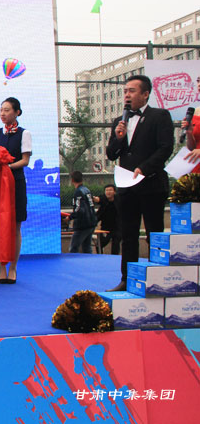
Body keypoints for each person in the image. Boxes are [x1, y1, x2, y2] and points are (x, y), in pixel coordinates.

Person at [105, 75, 173, 291]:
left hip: (151, 185)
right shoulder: (120, 121)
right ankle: (127, 280)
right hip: (127, 188)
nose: (127, 95)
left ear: (145, 94)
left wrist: (144, 168)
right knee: (128, 235)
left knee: (154, 234)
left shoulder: (160, 116)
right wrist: (118, 138)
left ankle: (156, 279)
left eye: (132, 91)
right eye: (125, 91)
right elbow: (111, 153)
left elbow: (165, 148)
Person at [0, 97, 31, 284]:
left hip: (15, 182)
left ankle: (13, 267)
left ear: (17, 112)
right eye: (1, 110)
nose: (3, 113)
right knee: (0, 225)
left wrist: (7, 166)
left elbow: (25, 160)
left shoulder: (24, 133)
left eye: (7, 110)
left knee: (15, 225)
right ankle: (1, 268)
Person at [66, 171, 97, 253]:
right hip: (91, 222)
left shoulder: (78, 192)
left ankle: (74, 261)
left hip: (83, 224)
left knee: (73, 247)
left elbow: (79, 209)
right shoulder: (86, 190)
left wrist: (70, 217)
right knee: (87, 247)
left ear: (72, 180)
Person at [94, 184, 120, 255]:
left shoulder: (118, 199)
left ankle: (114, 258)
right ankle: (100, 257)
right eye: (107, 190)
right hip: (106, 227)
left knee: (116, 243)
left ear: (114, 192)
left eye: (110, 190)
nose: (108, 192)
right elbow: (99, 199)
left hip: (117, 227)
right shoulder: (104, 200)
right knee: (100, 244)